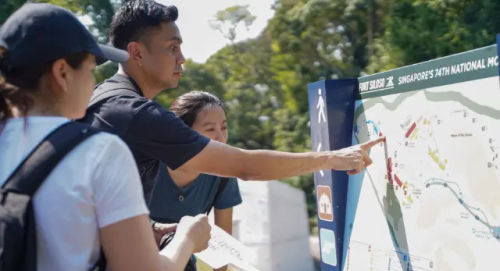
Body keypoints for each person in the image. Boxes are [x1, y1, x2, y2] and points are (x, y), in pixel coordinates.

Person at [0, 3, 211, 271]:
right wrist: (187, 238)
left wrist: (142, 229)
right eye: (89, 68)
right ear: (62, 73)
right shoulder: (98, 152)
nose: (94, 82)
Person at [81, 0, 383, 209]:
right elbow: (245, 165)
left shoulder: (102, 97)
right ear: (136, 53)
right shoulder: (135, 113)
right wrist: (331, 159)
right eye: (172, 48)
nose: (182, 58)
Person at [149, 91, 242, 271]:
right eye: (210, 129)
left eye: (224, 127)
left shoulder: (223, 172)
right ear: (181, 132)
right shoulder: (148, 164)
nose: (220, 137)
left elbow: (224, 235)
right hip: (130, 267)